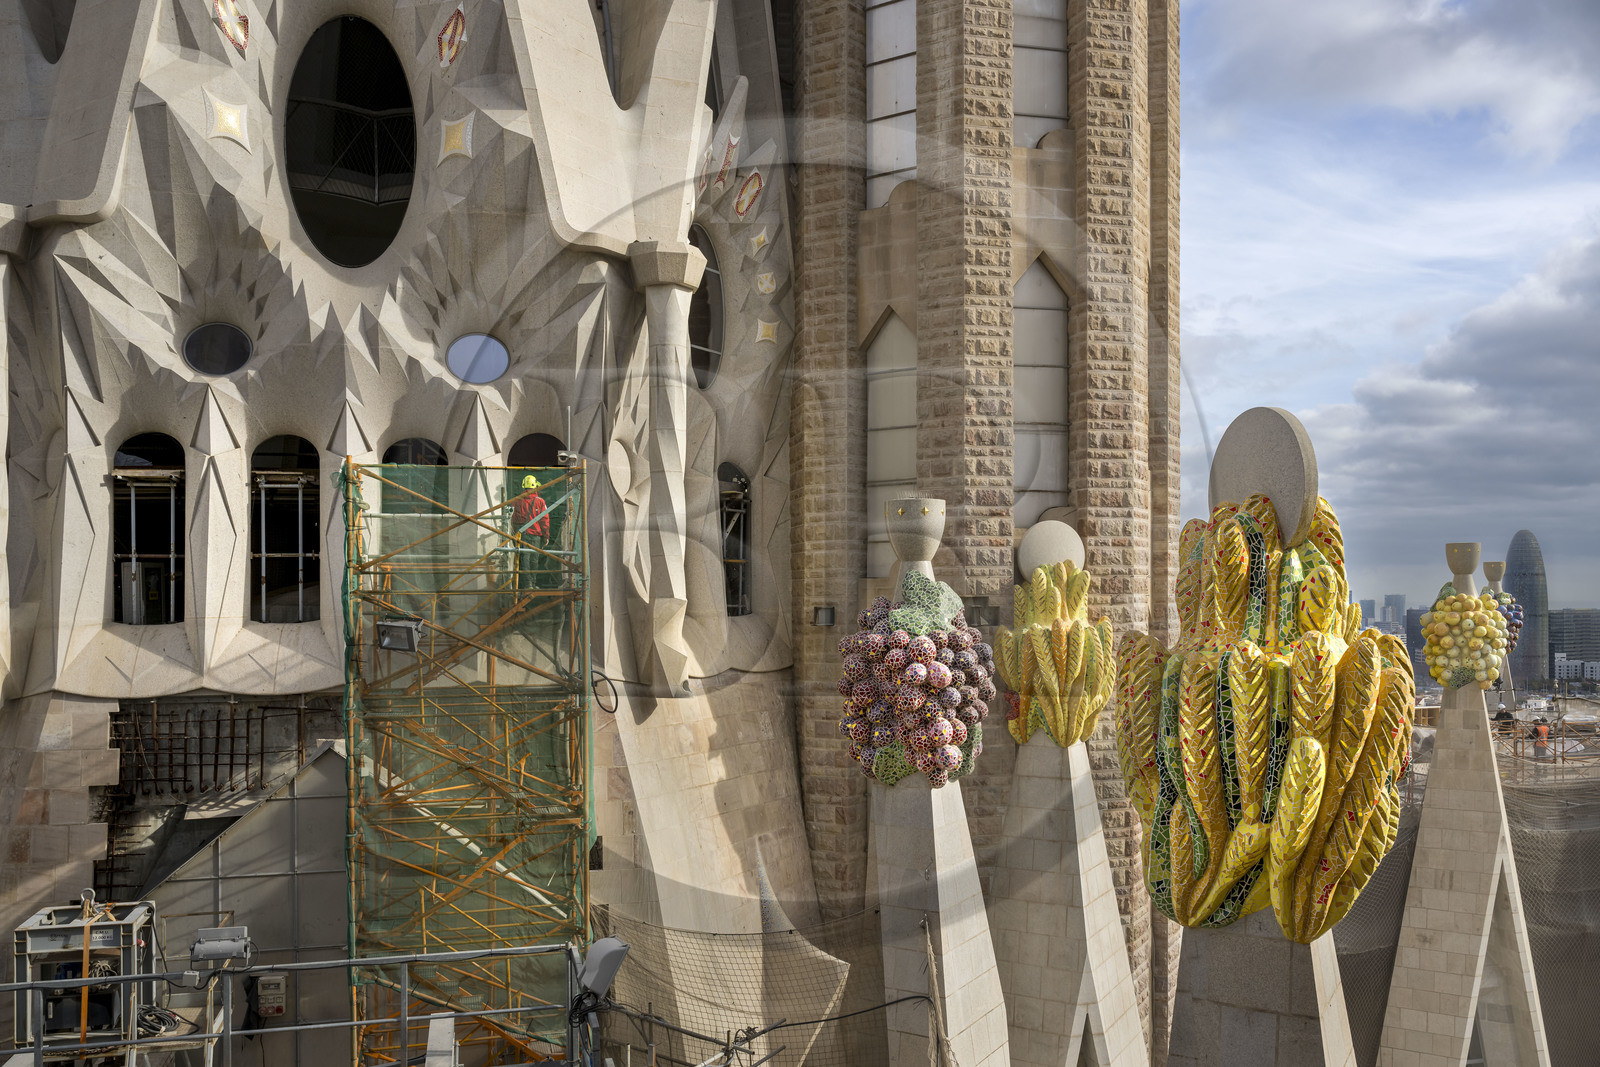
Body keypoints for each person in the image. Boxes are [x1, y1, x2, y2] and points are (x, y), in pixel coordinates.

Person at [508, 475, 548, 589]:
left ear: (523, 486)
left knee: (524, 559)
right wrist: (546, 536)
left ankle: (527, 585)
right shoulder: (540, 501)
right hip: (536, 536)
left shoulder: (516, 500)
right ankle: (533, 584)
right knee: (534, 560)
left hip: (522, 535)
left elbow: (512, 519)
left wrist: (514, 533)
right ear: (535, 486)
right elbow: (545, 520)